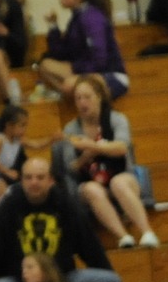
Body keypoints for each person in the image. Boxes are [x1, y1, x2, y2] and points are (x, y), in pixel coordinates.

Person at [55, 73, 159, 250]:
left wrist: (94, 147)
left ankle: (147, 232)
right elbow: (71, 167)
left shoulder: (116, 119)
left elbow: (122, 147)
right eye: (78, 98)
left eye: (87, 97)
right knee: (92, 189)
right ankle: (123, 237)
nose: (82, 103)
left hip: (121, 175)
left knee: (118, 183)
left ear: (99, 97)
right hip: (88, 182)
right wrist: (85, 157)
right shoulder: (71, 128)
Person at [34, 0, 128, 101]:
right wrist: (53, 27)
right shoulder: (76, 18)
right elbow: (60, 53)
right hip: (88, 71)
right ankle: (72, 98)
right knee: (46, 66)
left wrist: (76, 68)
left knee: (69, 85)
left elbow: (99, 59)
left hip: (110, 75)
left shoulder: (91, 17)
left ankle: (73, 97)